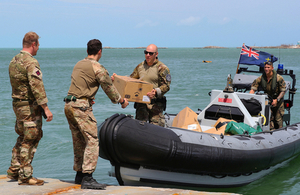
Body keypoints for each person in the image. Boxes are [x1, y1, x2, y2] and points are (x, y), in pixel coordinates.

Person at [64, 39, 129, 190]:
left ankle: (79, 175)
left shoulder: (79, 64)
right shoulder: (98, 67)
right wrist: (121, 101)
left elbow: (84, 84)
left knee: (79, 140)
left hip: (69, 105)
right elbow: (110, 90)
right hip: (81, 107)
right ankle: (88, 177)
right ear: (100, 51)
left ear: (87, 51)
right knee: (92, 140)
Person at [7, 31, 53, 185]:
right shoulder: (31, 62)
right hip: (29, 107)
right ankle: (25, 176)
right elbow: (37, 86)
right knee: (31, 137)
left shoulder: (13, 61)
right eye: (38, 45)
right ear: (34, 44)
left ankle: (14, 169)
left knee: (22, 136)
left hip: (17, 105)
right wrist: (46, 108)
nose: (38, 49)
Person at [130, 44, 171, 127]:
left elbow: (166, 86)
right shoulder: (140, 66)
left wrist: (155, 92)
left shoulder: (162, 68)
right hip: (141, 105)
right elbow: (131, 80)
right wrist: (117, 79)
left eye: (151, 53)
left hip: (156, 106)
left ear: (156, 54)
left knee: (157, 132)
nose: (148, 55)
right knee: (140, 129)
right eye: (146, 52)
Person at [250, 61, 286, 130]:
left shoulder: (279, 78)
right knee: (269, 119)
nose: (266, 69)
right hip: (268, 101)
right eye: (265, 67)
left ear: (272, 68)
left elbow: (283, 91)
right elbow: (253, 88)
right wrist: (250, 98)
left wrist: (277, 100)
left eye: (268, 67)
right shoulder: (261, 78)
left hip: (278, 102)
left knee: (278, 121)